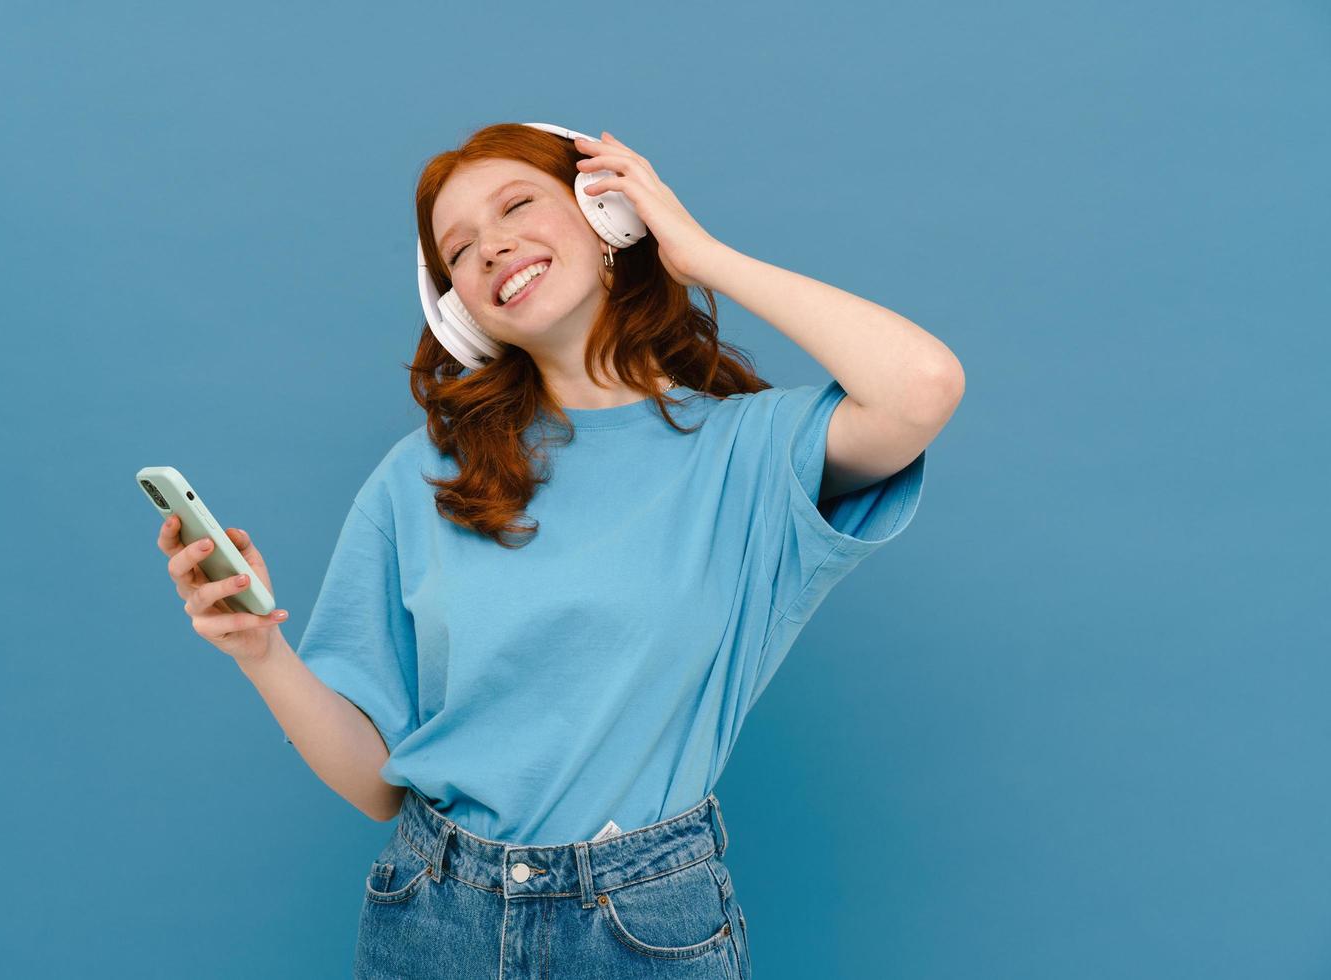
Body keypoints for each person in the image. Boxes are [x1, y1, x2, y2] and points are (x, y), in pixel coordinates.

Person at [157, 122, 963, 978]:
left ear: (607, 216)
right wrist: (261, 650)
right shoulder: (424, 478)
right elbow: (375, 784)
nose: (493, 246)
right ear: (456, 302)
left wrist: (696, 251)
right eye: (459, 250)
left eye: (518, 206)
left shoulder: (749, 454)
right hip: (432, 913)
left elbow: (924, 388)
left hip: (642, 927)